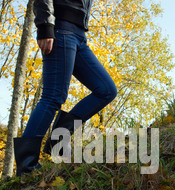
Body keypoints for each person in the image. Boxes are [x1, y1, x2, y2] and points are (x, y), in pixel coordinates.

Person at [14, 0, 118, 177]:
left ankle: (58, 139)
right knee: (52, 96)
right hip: (60, 29)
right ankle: (26, 166)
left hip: (79, 35)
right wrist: (45, 26)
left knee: (107, 90)